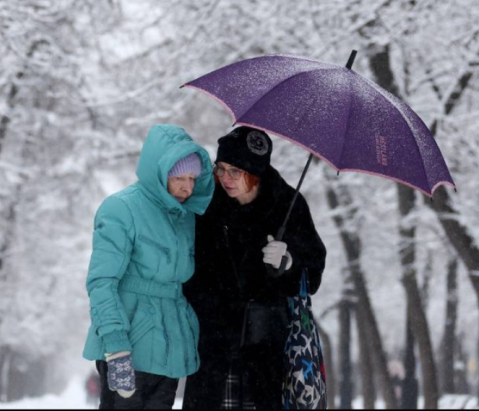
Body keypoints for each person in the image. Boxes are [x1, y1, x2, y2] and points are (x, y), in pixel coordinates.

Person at [183, 126, 327, 409]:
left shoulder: (289, 206)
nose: (225, 178)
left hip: (267, 351)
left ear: (256, 171)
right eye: (220, 168)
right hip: (214, 346)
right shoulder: (206, 205)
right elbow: (188, 268)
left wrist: (289, 263)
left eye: (235, 171)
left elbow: (312, 276)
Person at [82, 124, 215, 409]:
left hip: (171, 348)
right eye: (179, 177)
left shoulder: (187, 217)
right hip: (129, 345)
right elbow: (101, 282)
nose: (187, 187)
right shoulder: (121, 208)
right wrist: (116, 346)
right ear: (159, 171)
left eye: (192, 178)